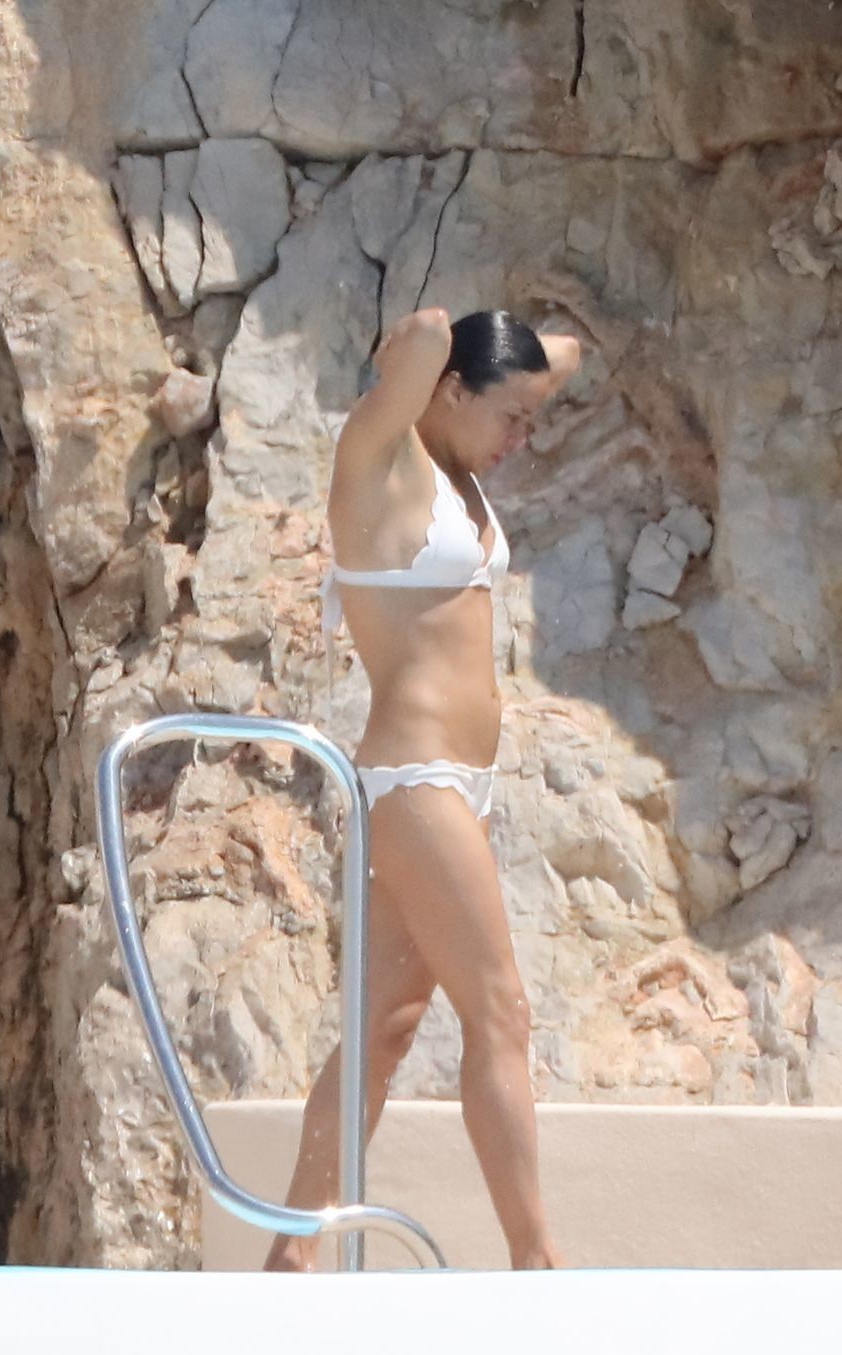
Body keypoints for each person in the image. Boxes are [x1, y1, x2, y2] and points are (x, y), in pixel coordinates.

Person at [265, 308, 581, 1271]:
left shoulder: (457, 469)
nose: (522, 439)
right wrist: (430, 345)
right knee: (501, 1012)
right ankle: (537, 1262)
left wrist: (515, 368)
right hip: (416, 779)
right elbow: (434, 336)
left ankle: (289, 1262)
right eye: (512, 417)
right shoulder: (379, 457)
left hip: (459, 782)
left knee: (384, 1030)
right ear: (447, 391)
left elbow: (561, 353)